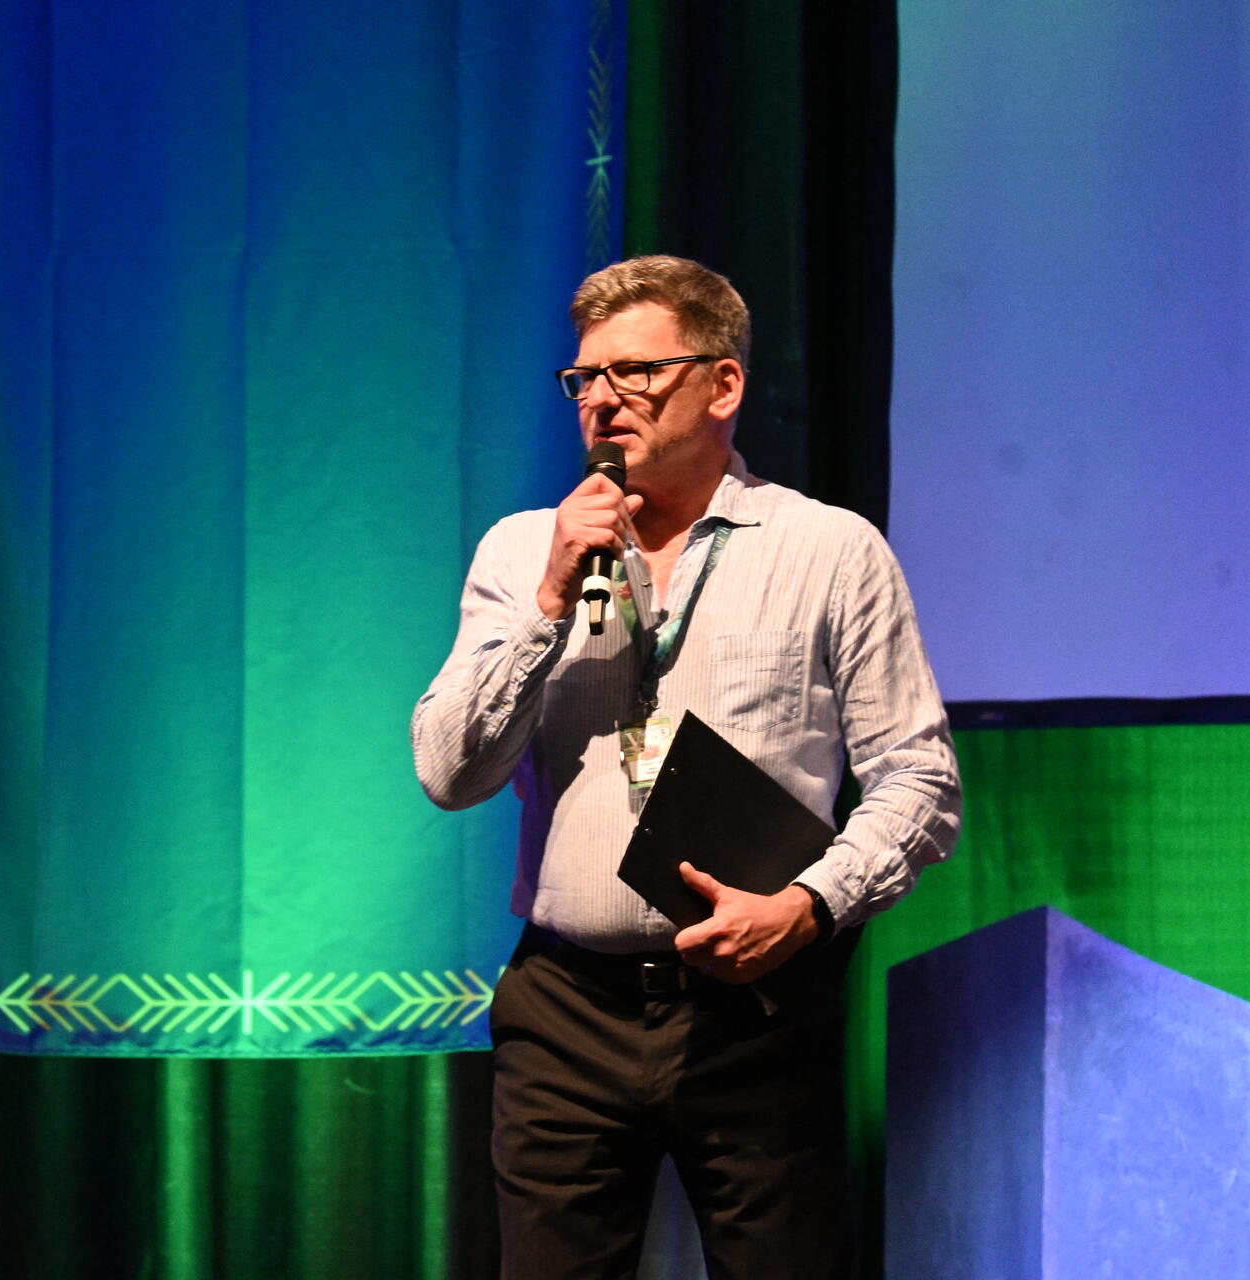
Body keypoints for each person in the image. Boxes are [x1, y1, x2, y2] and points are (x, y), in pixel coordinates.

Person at [411, 256, 962, 1278]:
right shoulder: (523, 551)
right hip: (566, 1006)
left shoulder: (830, 550)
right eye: (585, 378)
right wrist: (547, 604)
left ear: (723, 383)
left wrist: (806, 908)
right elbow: (450, 771)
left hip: (754, 1012)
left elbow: (920, 782)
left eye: (636, 372)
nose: (603, 399)